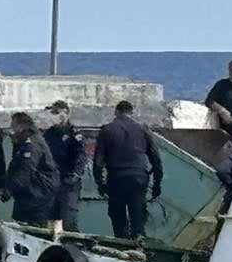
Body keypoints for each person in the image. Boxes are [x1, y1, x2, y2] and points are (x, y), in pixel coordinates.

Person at [93, 100, 165, 239]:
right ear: (132, 113)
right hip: (138, 179)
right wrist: (157, 184)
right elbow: (156, 159)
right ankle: (138, 248)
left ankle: (121, 247)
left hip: (116, 179)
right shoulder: (143, 129)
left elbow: (98, 162)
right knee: (137, 219)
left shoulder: (107, 130)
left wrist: (100, 184)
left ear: (116, 112)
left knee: (118, 220)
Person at [42, 101, 88, 232]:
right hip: (51, 182)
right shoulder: (48, 134)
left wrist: (76, 174)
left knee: (68, 220)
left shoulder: (74, 134)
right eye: (53, 113)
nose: (54, 116)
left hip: (68, 183)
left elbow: (81, 155)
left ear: (66, 114)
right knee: (50, 222)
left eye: (57, 112)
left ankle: (73, 248)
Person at [5, 112, 59, 224]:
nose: (11, 129)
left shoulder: (32, 144)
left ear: (21, 127)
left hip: (38, 192)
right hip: (31, 191)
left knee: (33, 226)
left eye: (13, 126)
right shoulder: (25, 142)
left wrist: (10, 189)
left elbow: (26, 169)